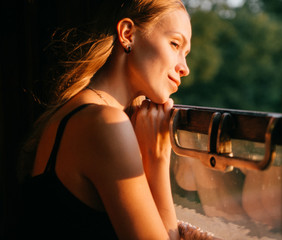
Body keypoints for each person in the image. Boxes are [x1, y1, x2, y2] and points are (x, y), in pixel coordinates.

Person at [16, 0, 213, 239]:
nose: (185, 68)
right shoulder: (106, 123)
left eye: (186, 53)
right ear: (127, 34)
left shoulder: (74, 111)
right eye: (174, 44)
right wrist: (157, 158)